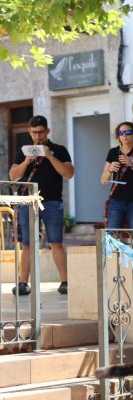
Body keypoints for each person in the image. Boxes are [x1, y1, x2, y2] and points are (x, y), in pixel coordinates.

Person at [9, 115, 74, 296]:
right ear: (30, 132)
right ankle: (23, 283)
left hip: (52, 202)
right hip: (28, 202)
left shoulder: (59, 150)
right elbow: (14, 175)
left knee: (56, 242)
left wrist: (49, 156)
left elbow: (68, 173)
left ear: (48, 131)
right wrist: (27, 161)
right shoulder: (24, 151)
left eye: (41, 132)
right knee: (28, 244)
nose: (38, 136)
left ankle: (65, 281)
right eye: (34, 133)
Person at [100, 122, 133, 230]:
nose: (124, 135)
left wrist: (132, 165)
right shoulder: (113, 152)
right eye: (121, 133)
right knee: (113, 236)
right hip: (116, 201)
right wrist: (110, 170)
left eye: (127, 132)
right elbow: (103, 180)